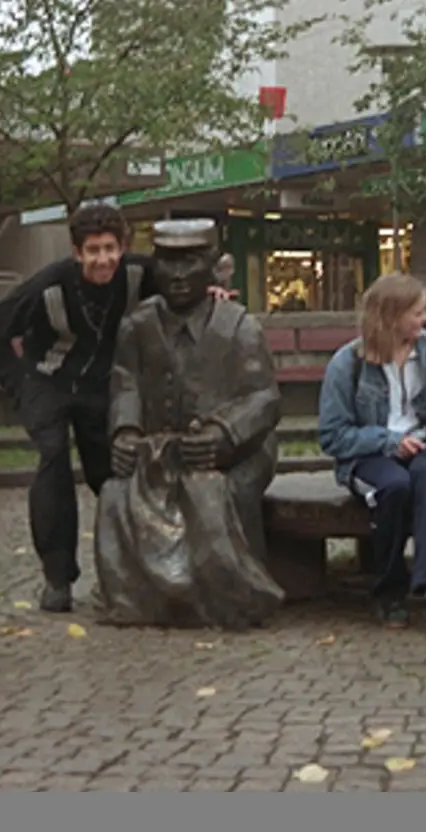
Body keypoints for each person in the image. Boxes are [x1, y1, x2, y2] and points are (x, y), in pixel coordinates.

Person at [96, 219, 283, 629]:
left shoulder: (239, 327)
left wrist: (223, 433)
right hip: (162, 449)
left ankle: (231, 595)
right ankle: (141, 598)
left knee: (216, 490)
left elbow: (263, 397)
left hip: (240, 451)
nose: (178, 275)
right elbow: (126, 385)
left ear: (213, 266)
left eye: (190, 262)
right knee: (115, 494)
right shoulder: (137, 325)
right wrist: (126, 431)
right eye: (168, 262)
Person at [0, 203, 157, 613]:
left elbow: (183, 283)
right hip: (48, 382)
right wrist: (19, 387)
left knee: (110, 471)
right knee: (53, 457)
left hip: (100, 387)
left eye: (110, 249)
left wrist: (214, 291)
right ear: (77, 252)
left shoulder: (138, 273)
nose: (103, 260)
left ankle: (129, 566)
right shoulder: (48, 287)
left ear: (122, 247)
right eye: (93, 250)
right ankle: (58, 577)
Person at [318, 272, 426, 636]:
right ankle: (389, 590)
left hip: (424, 447)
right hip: (370, 454)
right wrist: (389, 441)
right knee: (396, 487)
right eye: (418, 312)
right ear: (392, 316)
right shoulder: (347, 363)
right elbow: (333, 435)